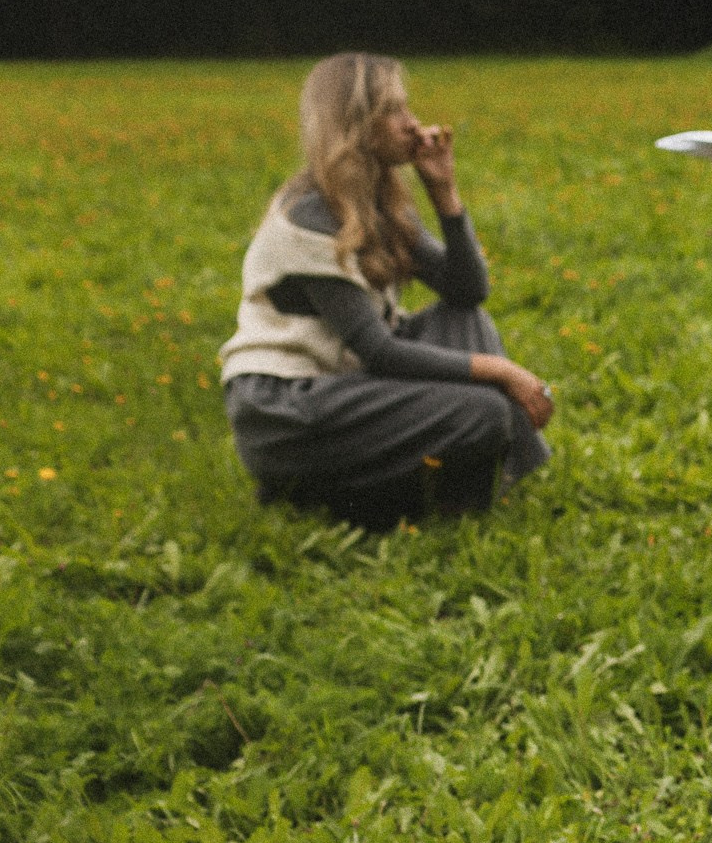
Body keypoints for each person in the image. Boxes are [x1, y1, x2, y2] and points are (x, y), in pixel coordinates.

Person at [218, 52, 554, 530]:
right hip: (287, 410)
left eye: (407, 107)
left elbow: (467, 292)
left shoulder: (379, 201)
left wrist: (445, 195)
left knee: (466, 323)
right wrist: (500, 371)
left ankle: (467, 487)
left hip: (343, 386)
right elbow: (377, 351)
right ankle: (350, 498)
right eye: (394, 110)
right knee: (483, 410)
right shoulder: (310, 214)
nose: (412, 124)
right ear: (356, 125)